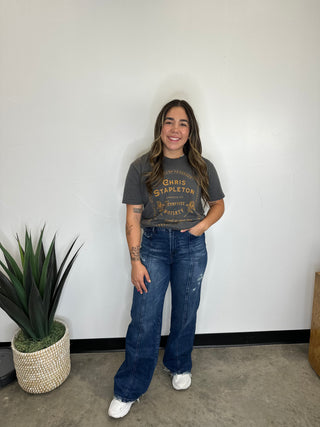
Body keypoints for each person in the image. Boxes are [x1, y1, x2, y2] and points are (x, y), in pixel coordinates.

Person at [108, 99, 225, 418]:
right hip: (153, 246)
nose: (175, 129)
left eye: (183, 123)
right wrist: (135, 260)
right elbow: (132, 217)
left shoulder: (203, 166)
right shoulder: (141, 166)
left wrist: (198, 228)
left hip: (191, 246)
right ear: (160, 126)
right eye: (169, 122)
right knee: (144, 317)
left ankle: (179, 364)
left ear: (191, 130)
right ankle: (129, 387)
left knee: (186, 310)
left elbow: (218, 204)